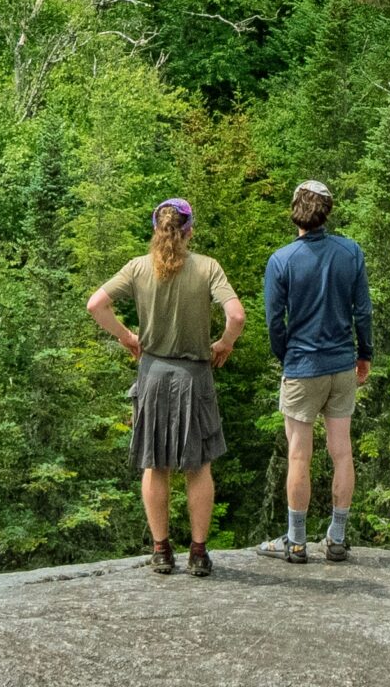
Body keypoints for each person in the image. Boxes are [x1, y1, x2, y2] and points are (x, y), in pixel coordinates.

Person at [87, 198, 244, 578]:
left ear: (156, 228)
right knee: (198, 465)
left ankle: (161, 551)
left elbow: (96, 304)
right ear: (189, 230)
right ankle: (199, 553)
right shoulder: (207, 268)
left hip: (153, 373)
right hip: (195, 376)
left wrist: (127, 336)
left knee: (155, 465)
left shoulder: (138, 268)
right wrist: (224, 343)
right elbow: (237, 314)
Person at [258, 179, 372, 564]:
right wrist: (365, 354)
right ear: (328, 211)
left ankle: (295, 541)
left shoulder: (282, 260)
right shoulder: (350, 252)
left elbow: (274, 320)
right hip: (341, 365)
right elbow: (363, 312)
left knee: (298, 456)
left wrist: (284, 354)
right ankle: (337, 539)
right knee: (342, 452)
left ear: (296, 210)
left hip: (302, 366)